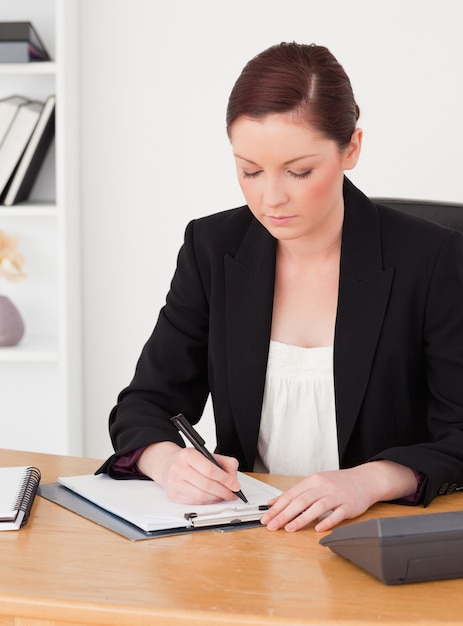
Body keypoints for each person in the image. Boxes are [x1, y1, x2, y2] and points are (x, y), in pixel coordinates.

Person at [97, 42, 463, 533]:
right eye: (249, 170)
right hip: (253, 537)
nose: (270, 198)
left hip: (380, 534)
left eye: (299, 171)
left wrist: (371, 480)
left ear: (351, 148)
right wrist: (166, 462)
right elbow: (144, 402)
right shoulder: (212, 249)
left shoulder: (434, 259)